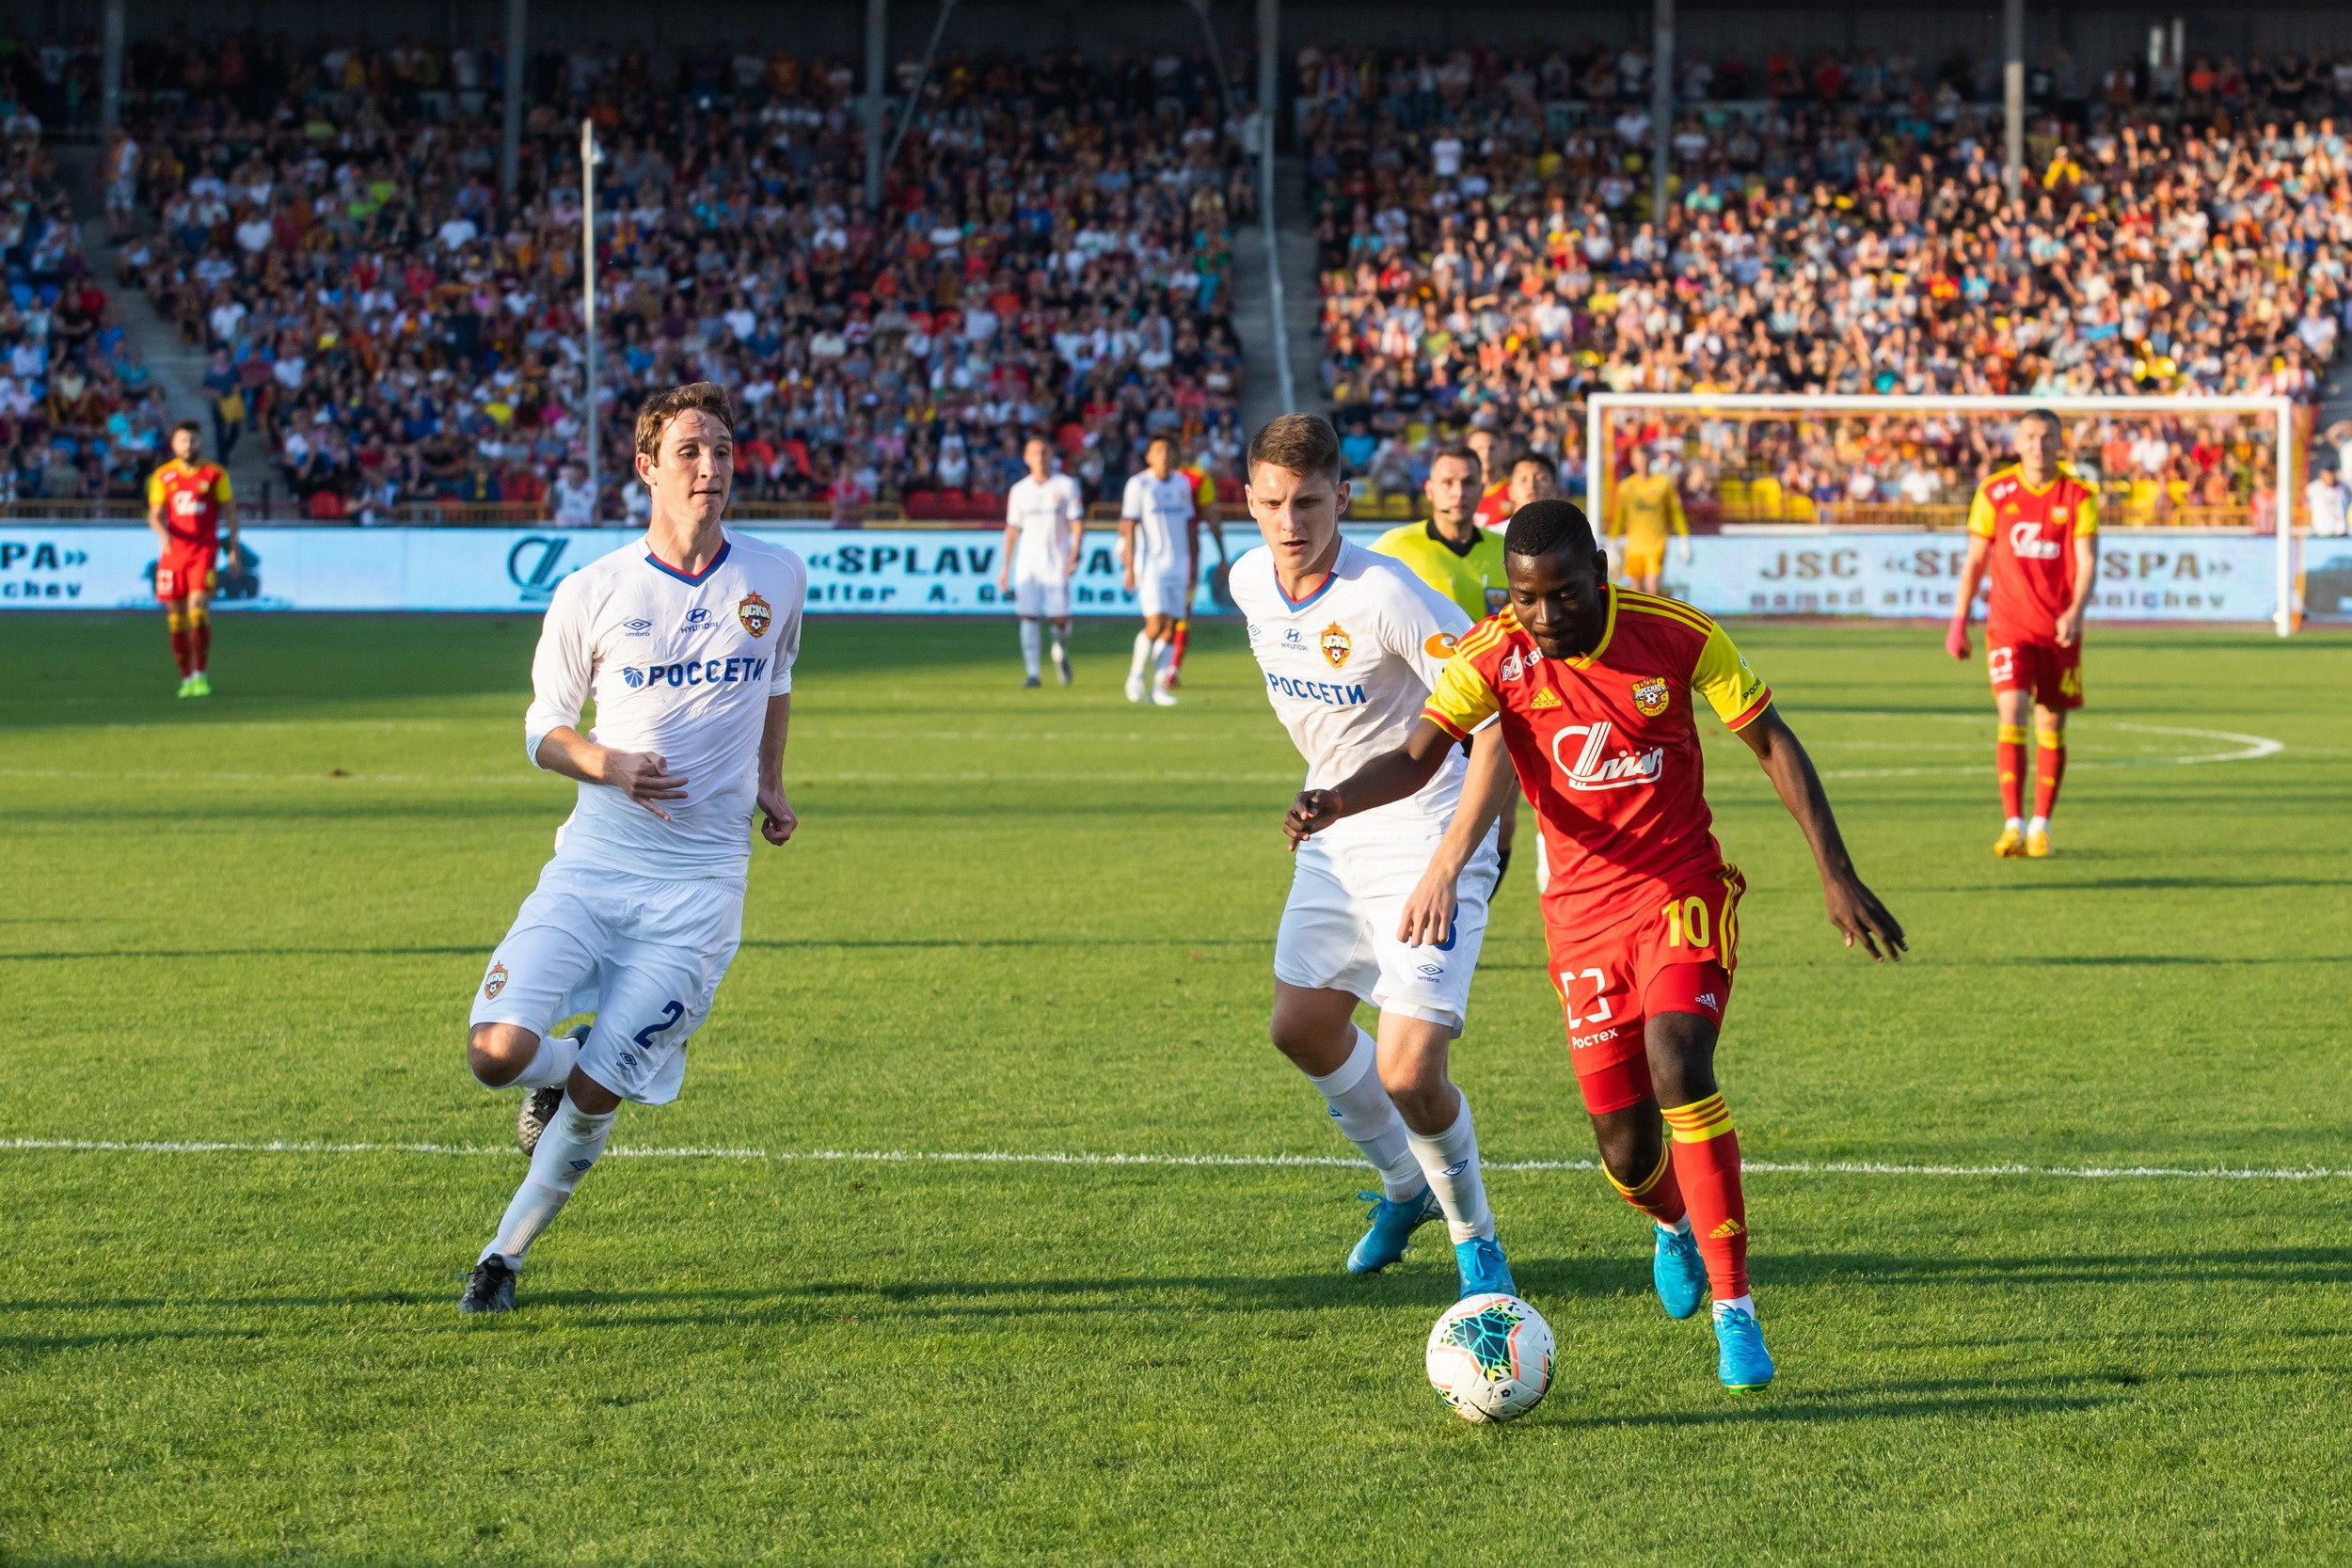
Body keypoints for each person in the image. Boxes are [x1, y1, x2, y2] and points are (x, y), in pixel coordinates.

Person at [1286, 499, 1907, 1392]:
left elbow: (1770, 739)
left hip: (1679, 890)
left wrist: (1835, 871)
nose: (1546, 618)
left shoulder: (1676, 635)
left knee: (1680, 1065)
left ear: (1601, 573)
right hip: (1579, 917)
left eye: (1565, 596)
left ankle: (1737, 1312)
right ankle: (1671, 1223)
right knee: (1624, 1152)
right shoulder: (1496, 654)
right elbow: (1422, 753)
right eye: (1528, 599)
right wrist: (1339, 797)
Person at [456, 382, 807, 1315]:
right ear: (646, 467)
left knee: (600, 1093)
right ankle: (564, 1058)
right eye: (690, 450)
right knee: (494, 1051)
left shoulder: (776, 576)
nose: (711, 467)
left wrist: (772, 778)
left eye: (724, 449)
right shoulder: (594, 590)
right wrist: (604, 761)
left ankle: (502, 1256)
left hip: (699, 892)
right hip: (592, 872)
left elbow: (775, 682)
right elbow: (541, 729)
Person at [1231, 413, 1521, 1299]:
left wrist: (1464, 856)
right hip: (1337, 828)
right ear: (1250, 500)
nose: (1292, 523)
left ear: (1342, 499)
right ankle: (1406, 1187)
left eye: (1310, 502)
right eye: (1275, 502)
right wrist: (1326, 796)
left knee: (1408, 1068)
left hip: (1430, 827)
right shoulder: (1248, 583)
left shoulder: (1387, 593)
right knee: (1302, 1028)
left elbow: (1500, 711)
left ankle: (1477, 1238)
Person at [1945, 410, 2097, 858]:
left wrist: (2076, 609)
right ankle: (2012, 823)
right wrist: (1959, 620)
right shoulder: (1995, 491)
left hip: (2059, 630)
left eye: (2047, 437)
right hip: (2008, 626)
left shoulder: (2078, 494)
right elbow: (1975, 560)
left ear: (2060, 442)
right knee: (2011, 712)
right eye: (2030, 436)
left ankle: (2040, 826)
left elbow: (2087, 560)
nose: (2038, 445)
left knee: (2051, 721)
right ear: (2016, 442)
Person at [1373, 442, 1520, 879]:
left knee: (1500, 824)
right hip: (1425, 713)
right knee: (1422, 822)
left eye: (1468, 482)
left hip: (1496, 711)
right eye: (1448, 483)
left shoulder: (1505, 548)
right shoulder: (1395, 548)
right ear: (1430, 489)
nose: (1459, 492)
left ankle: (1473, 908)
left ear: (1482, 488)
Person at [145, 420, 239, 698]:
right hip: (174, 553)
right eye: (184, 441)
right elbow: (155, 515)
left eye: (194, 441)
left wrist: (232, 548)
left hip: (203, 551)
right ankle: (186, 678)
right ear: (174, 445)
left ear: (201, 443)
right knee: (175, 617)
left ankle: (201, 674)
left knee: (197, 609)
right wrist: (163, 535)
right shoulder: (163, 476)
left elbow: (230, 512)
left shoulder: (214, 475)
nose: (189, 446)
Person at [1120, 436, 1200, 705]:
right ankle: (1135, 675)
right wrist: (1129, 566)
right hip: (1151, 565)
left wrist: (1193, 564)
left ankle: (1157, 689)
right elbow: (1128, 525)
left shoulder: (1181, 484)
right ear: (1149, 457)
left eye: (1168, 450)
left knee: (1171, 627)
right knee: (1154, 625)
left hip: (1179, 564)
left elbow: (1190, 525)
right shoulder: (1139, 484)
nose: (1164, 456)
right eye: (1158, 451)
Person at [998, 436, 1085, 688]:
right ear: (1026, 458)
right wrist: (1005, 568)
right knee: (1029, 616)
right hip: (1028, 564)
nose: (1039, 457)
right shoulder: (1019, 491)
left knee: (1061, 620)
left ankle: (1060, 650)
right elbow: (1012, 529)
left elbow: (1076, 522)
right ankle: (1033, 673)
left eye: (1044, 452)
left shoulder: (1067, 486)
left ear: (1052, 455)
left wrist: (1076, 550)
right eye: (1034, 453)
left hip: (1057, 561)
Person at [1607, 445, 1689, 594]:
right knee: (1635, 590)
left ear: (1650, 460)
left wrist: (1684, 539)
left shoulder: (1663, 484)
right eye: (1639, 460)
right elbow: (1619, 517)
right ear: (1633, 461)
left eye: (1644, 460)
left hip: (1656, 545)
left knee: (1652, 587)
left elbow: (1676, 513)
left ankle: (1656, 616)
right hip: (1634, 547)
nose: (1642, 463)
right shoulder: (1625, 487)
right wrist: (1612, 543)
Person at [2307, 463, 2349, 538]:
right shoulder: (2313, 488)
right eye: (2328, 474)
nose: (2330, 477)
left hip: (2341, 534)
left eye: (2332, 474)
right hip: (2321, 535)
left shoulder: (2345, 487)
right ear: (2322, 474)